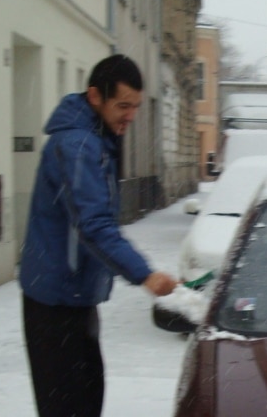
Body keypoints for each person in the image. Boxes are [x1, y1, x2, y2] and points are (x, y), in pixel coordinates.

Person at [19, 54, 178, 417]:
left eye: (135, 106)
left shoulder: (96, 138)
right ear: (95, 97)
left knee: (85, 400)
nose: (130, 116)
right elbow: (93, 225)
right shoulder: (77, 146)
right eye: (123, 105)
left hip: (72, 297)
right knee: (70, 407)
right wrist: (145, 274)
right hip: (55, 302)